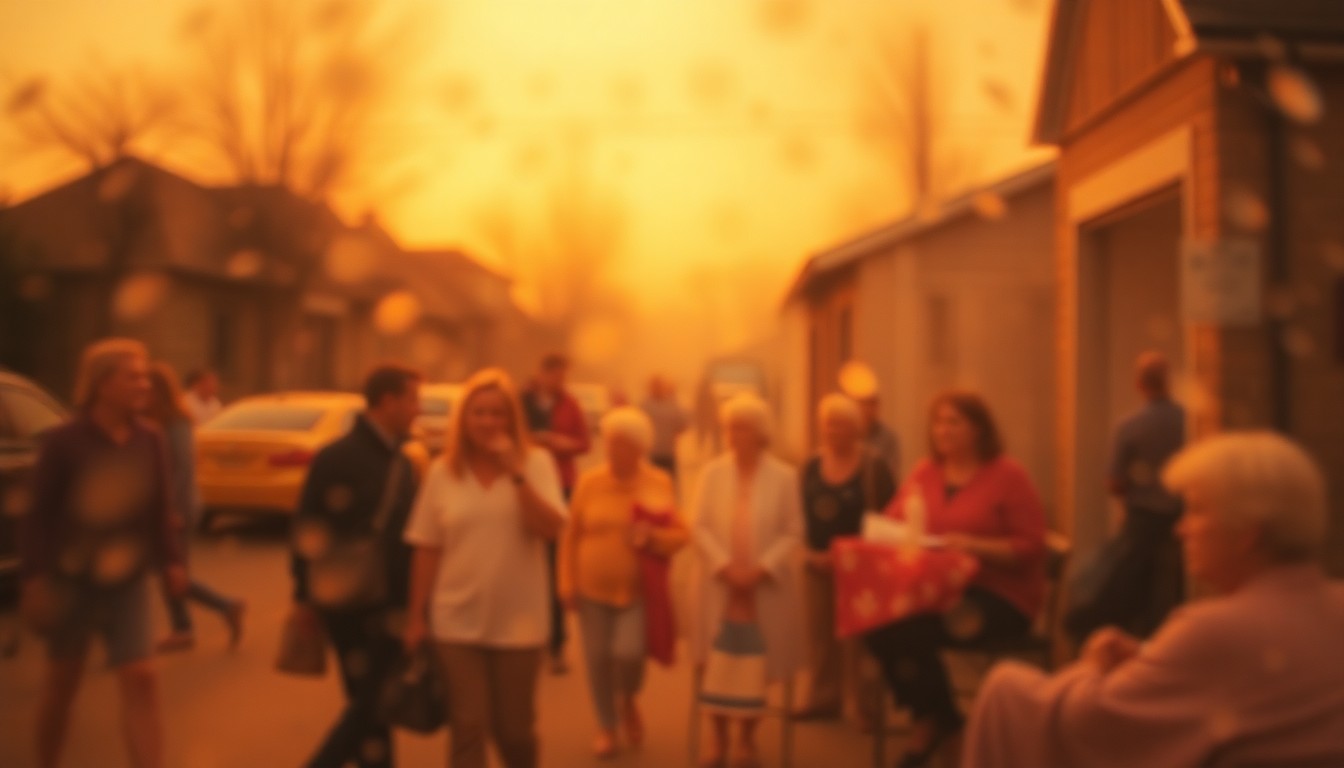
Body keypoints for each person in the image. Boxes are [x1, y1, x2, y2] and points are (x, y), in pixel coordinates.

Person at [963, 432, 1344, 768]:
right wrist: (1151, 659)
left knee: (1008, 690)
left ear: (1246, 532)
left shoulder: (1212, 628)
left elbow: (1095, 724)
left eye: (1196, 510)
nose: (1181, 529)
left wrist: (1094, 666)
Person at [19, 338, 187, 768]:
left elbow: (160, 508)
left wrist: (172, 561)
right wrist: (35, 579)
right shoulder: (64, 441)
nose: (144, 384)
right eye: (133, 376)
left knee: (142, 677)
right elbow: (39, 515)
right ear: (102, 383)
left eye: (145, 376)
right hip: (71, 581)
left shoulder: (150, 439)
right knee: (63, 683)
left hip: (127, 580)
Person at [864, 390, 1045, 768]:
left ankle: (931, 726)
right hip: (941, 592)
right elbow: (895, 521)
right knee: (879, 624)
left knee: (913, 632)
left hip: (998, 595)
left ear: (979, 429)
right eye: (938, 422)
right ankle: (943, 720)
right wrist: (887, 536)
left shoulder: (1008, 475)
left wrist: (973, 546)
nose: (943, 430)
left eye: (953, 422)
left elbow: (1030, 547)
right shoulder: (925, 472)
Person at [403, 368, 567, 768]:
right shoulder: (444, 471)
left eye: (497, 413)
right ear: (464, 419)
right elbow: (427, 547)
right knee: (468, 726)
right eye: (479, 413)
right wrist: (415, 617)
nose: (488, 422)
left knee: (514, 732)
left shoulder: (537, 463)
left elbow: (550, 529)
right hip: (455, 620)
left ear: (512, 419)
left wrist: (515, 472)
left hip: (521, 623)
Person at [289, 364, 423, 768]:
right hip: (348, 602)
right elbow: (308, 528)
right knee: (371, 702)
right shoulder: (337, 457)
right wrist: (303, 596)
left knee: (373, 705)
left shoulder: (403, 459)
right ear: (388, 401)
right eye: (413, 399)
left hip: (394, 603)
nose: (419, 409)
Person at [559, 406, 689, 758]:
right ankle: (607, 726)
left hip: (638, 590)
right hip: (591, 589)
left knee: (630, 653)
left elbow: (680, 534)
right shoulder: (590, 482)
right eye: (610, 443)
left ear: (639, 448)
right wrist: (566, 584)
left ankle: (628, 699)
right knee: (598, 658)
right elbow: (570, 536)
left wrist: (654, 537)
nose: (612, 450)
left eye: (621, 444)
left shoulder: (657, 482)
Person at [690, 393, 804, 768]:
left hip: (761, 587)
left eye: (740, 428)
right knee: (718, 663)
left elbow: (793, 530)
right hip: (720, 584)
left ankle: (747, 739)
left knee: (753, 664)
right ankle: (717, 738)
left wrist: (762, 568)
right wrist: (724, 565)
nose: (732, 434)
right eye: (729, 427)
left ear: (760, 433)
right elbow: (699, 526)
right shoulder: (712, 473)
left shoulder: (784, 477)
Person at [1066, 351, 1186, 644]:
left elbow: (1114, 482)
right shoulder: (1189, 422)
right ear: (1170, 381)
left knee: (1116, 588)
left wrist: (1138, 487)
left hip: (1142, 524)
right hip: (1180, 520)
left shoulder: (1130, 427)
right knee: (1172, 594)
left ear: (1138, 384)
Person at [793, 394, 896, 725]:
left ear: (856, 428)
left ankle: (864, 704)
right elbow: (796, 515)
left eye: (839, 424)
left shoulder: (873, 465)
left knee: (861, 640)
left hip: (861, 564)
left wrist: (857, 554)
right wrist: (809, 554)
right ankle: (824, 698)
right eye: (827, 424)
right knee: (819, 635)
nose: (831, 430)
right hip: (817, 562)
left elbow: (889, 516)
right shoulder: (810, 466)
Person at [143, 362, 245, 654]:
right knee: (169, 570)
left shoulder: (175, 421)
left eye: (146, 389)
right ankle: (189, 624)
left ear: (159, 392)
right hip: (165, 509)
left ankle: (216, 611)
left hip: (179, 508)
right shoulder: (153, 420)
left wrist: (173, 511)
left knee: (170, 570)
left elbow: (182, 470)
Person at [520, 353, 590, 675]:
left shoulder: (570, 404)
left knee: (554, 564)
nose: (560, 381)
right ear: (541, 372)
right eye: (556, 375)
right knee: (521, 562)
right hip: (523, 484)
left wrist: (563, 443)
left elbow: (584, 442)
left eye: (564, 376)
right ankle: (524, 639)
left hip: (560, 485)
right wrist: (534, 441)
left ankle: (557, 644)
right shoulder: (519, 400)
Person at [640, 375, 689, 485]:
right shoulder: (644, 405)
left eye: (659, 386)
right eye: (654, 386)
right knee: (652, 487)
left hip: (668, 453)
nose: (657, 388)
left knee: (669, 485)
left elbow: (683, 424)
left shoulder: (672, 404)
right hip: (651, 454)